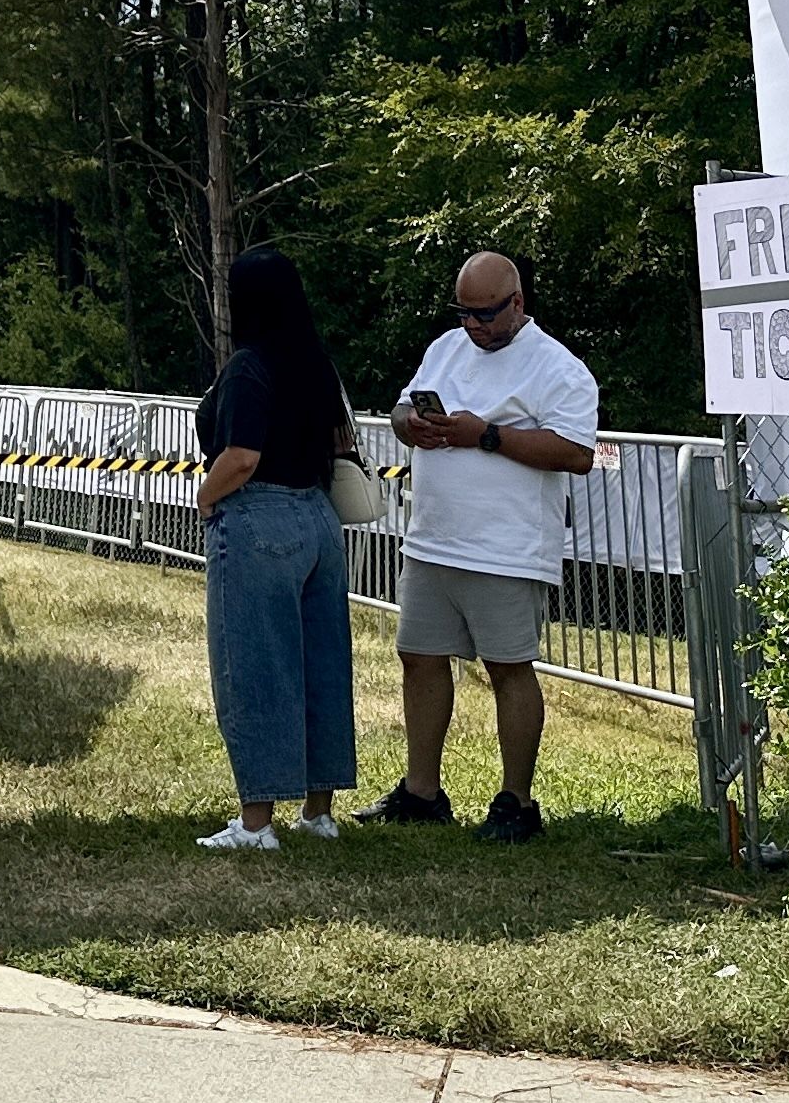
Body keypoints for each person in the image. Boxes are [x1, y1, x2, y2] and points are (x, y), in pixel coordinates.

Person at [366, 249, 601, 843]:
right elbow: (401, 407)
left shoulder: (558, 368)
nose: (473, 325)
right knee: (419, 658)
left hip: (507, 549)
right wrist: (409, 425)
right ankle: (422, 792)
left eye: (486, 314)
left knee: (508, 670)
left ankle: (516, 802)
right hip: (433, 541)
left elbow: (575, 453)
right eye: (465, 312)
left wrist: (486, 435)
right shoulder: (445, 348)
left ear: (517, 303)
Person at [189, 248, 359, 852]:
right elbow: (342, 440)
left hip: (259, 516)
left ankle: (256, 824)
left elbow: (241, 457)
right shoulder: (317, 363)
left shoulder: (247, 367)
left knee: (255, 667)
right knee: (322, 665)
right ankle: (319, 811)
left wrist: (205, 497)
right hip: (318, 518)